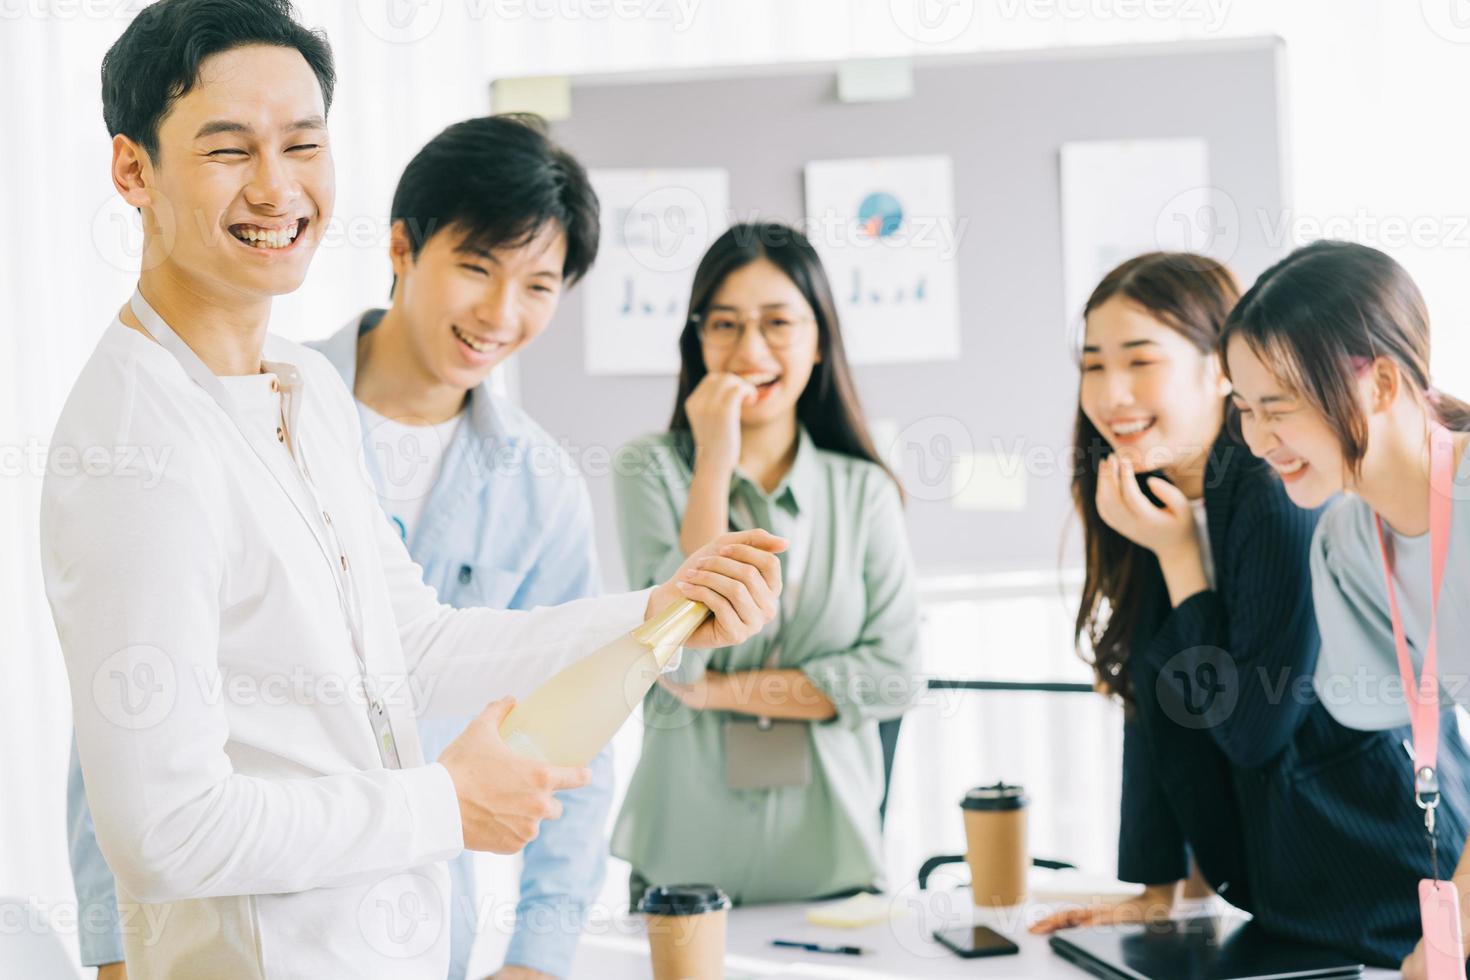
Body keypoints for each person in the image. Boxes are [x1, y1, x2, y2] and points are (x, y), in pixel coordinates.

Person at [43, 4, 784, 977]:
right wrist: (446, 801)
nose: (277, 186)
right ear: (134, 170)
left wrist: (653, 609)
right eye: (229, 149)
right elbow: (163, 826)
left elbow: (416, 641)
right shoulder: (136, 443)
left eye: (303, 143)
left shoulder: (299, 390)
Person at [66, 113, 614, 980]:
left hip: (428, 929)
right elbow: (125, 716)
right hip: (240, 930)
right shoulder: (252, 401)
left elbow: (579, 726)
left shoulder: (542, 486)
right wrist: (111, 947)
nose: (501, 314)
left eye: (539, 285)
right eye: (476, 267)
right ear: (403, 248)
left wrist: (538, 956)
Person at [1029, 251, 1470, 968]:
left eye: (1140, 361)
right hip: (1305, 891)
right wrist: (1157, 885)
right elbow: (1160, 696)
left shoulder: (1282, 494)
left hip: (1385, 871)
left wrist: (1181, 563)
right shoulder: (1169, 494)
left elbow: (1255, 726)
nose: (1112, 394)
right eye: (1092, 365)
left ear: (1214, 370)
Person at [609, 222, 919, 906]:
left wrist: (723, 694)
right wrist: (714, 459)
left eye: (778, 322)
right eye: (724, 324)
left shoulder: (863, 490)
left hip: (832, 866)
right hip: (683, 869)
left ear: (819, 340)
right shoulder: (649, 468)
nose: (750, 349)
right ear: (697, 340)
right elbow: (676, 658)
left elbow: (895, 679)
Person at [1222, 240, 1470, 978]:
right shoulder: (1346, 538)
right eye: (1243, 411)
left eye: (1280, 407)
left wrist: (1449, 937)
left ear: (1383, 382)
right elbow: (1374, 705)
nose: (1259, 440)